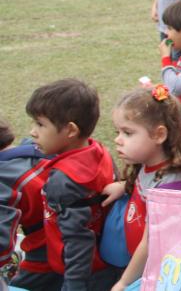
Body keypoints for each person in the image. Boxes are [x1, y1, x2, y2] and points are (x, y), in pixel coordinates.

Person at [21, 79, 118, 291]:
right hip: (106, 263)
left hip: (83, 275)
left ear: (70, 130)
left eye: (40, 124)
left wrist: (73, 286)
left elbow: (78, 242)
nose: (32, 132)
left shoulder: (64, 181)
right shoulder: (100, 152)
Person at [105, 86, 181, 291]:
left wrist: (124, 282)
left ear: (159, 135)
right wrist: (124, 186)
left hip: (155, 273)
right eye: (117, 132)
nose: (118, 140)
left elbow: (151, 242)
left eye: (127, 133)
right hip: (142, 267)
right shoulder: (151, 163)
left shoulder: (172, 188)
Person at [0, 120, 50, 287]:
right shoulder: (36, 148)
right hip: (88, 230)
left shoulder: (4, 180)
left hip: (50, 252)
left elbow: (2, 247)